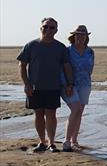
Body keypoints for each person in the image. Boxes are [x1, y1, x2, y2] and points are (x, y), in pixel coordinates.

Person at [17, 17, 74, 153]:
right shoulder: (31, 45)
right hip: (35, 87)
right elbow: (22, 65)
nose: (48, 29)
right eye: (45, 26)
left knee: (51, 115)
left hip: (53, 87)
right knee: (38, 115)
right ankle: (42, 141)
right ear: (41, 28)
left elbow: (67, 67)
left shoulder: (60, 47)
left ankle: (51, 143)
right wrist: (26, 84)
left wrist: (70, 84)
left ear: (56, 30)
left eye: (52, 27)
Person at [61, 25, 94, 152]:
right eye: (78, 34)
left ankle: (74, 141)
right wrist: (67, 84)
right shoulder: (67, 51)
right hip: (69, 85)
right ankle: (67, 141)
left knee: (79, 112)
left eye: (83, 34)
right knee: (75, 109)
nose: (80, 37)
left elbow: (90, 69)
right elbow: (62, 69)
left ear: (86, 37)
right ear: (73, 36)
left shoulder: (90, 52)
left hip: (85, 85)